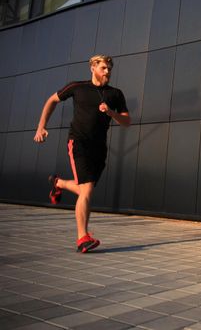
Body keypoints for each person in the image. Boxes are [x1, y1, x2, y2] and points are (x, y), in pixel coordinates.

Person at [34, 54, 130, 253]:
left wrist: (111, 113)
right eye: (103, 68)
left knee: (84, 190)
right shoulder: (77, 87)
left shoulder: (116, 94)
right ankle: (82, 238)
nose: (107, 72)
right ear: (93, 68)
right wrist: (41, 127)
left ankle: (58, 183)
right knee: (86, 191)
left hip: (99, 148)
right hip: (78, 143)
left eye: (109, 69)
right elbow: (52, 100)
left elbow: (127, 121)